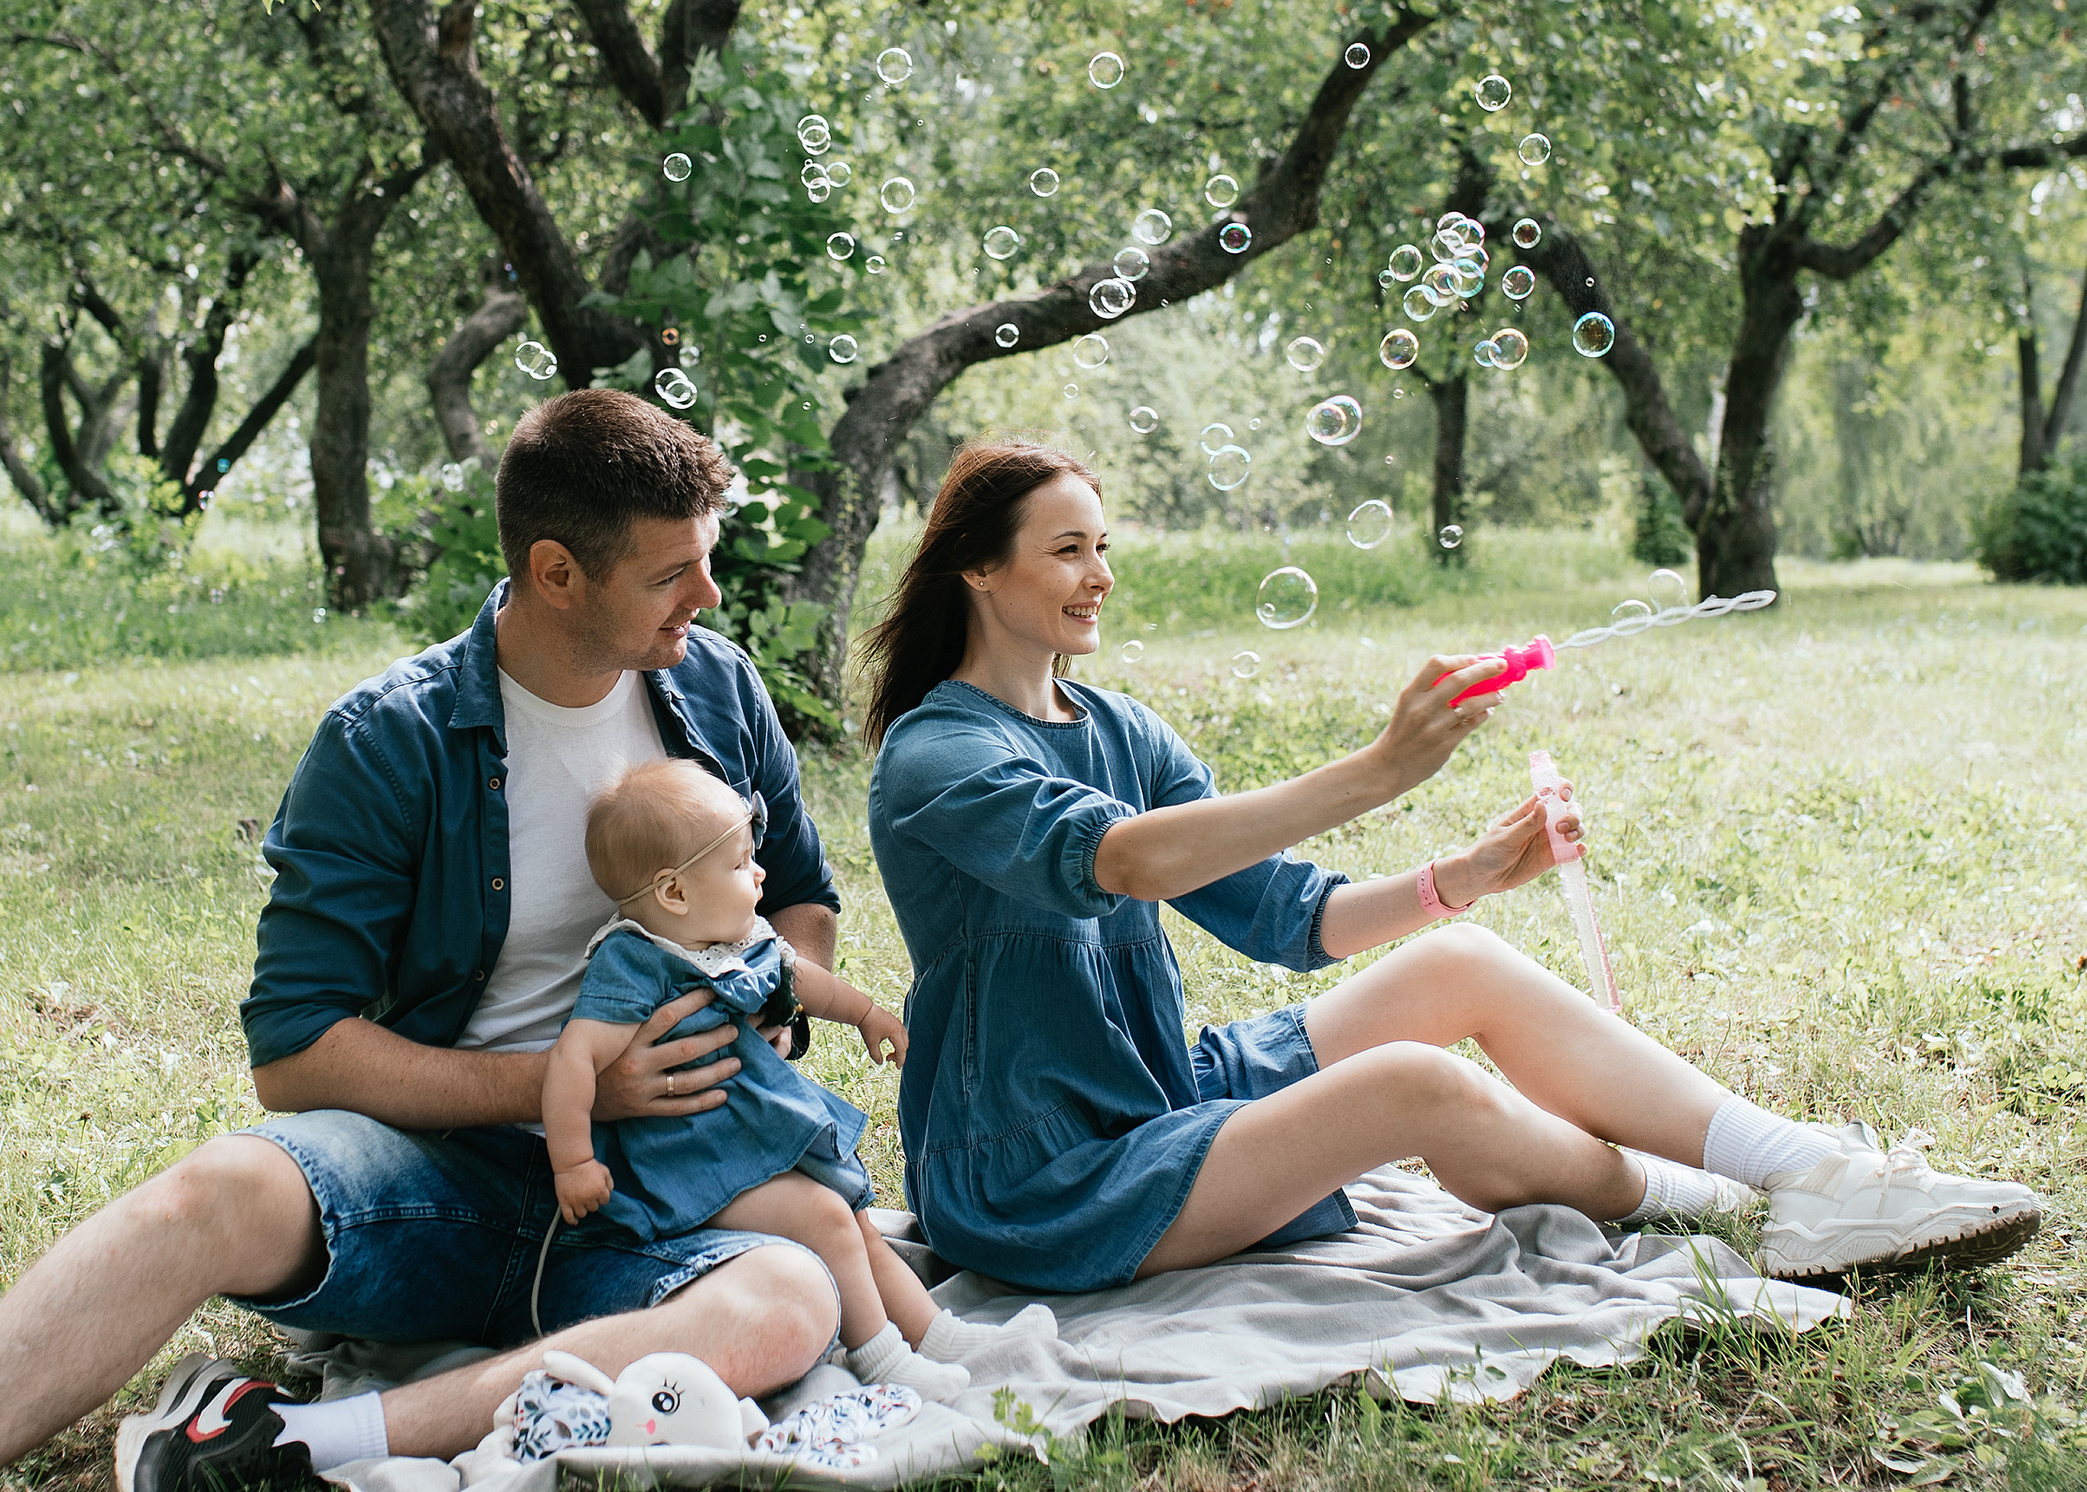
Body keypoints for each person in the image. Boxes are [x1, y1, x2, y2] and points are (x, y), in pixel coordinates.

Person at [0, 393, 857, 1492]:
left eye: (707, 555)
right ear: (555, 572)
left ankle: (278, 1446)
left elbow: (801, 897)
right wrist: (565, 1086)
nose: (708, 591)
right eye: (671, 569)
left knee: (793, 1298)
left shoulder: (718, 688)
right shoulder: (389, 739)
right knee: (221, 1186)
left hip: (667, 1195)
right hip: (451, 1181)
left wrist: (761, 1010)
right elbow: (300, 1057)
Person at [863, 439, 2043, 1295]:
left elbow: (1286, 916)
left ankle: (1814, 1175)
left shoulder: (1118, 726)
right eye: (1066, 551)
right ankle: (1741, 1213)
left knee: (1462, 963)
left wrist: (1461, 877)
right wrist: (1377, 770)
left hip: (1158, 1088)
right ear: (976, 568)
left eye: (1102, 546)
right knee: (1413, 1087)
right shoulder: (938, 753)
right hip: (1041, 1170)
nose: (1099, 574)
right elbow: (1121, 863)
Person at [545, 759, 968, 1404]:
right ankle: (880, 1359)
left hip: (749, 1139)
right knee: (827, 1215)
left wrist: (865, 1012)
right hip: (687, 1161)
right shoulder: (635, 962)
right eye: (742, 864)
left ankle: (938, 1336)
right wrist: (573, 1160)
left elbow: (798, 976)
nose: (761, 874)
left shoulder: (736, 938)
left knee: (854, 1222)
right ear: (674, 893)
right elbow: (573, 1060)